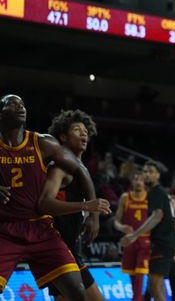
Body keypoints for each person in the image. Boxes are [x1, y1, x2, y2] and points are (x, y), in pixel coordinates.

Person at [0, 94, 101, 300]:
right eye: (12, 104)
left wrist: (94, 214)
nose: (20, 107)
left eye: (22, 104)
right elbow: (46, 203)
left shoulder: (42, 143)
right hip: (5, 229)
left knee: (77, 291)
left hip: (41, 228)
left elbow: (80, 168)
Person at [39, 110, 112, 301]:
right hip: (58, 248)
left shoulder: (80, 168)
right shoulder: (60, 168)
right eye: (77, 129)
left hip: (70, 247)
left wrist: (90, 216)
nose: (84, 133)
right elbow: (45, 203)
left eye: (85, 130)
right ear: (63, 136)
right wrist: (86, 206)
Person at [120, 161, 175, 301]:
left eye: (150, 171)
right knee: (157, 286)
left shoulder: (157, 192)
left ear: (158, 175)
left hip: (162, 243)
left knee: (153, 285)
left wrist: (134, 235)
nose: (147, 174)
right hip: (166, 243)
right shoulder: (161, 193)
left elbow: (157, 216)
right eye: (145, 171)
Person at [113, 171, 150, 301]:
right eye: (135, 179)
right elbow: (116, 221)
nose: (138, 182)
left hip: (146, 242)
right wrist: (122, 227)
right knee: (133, 278)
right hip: (130, 242)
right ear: (131, 182)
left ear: (145, 182)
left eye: (141, 179)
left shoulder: (150, 197)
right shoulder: (125, 197)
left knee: (140, 276)